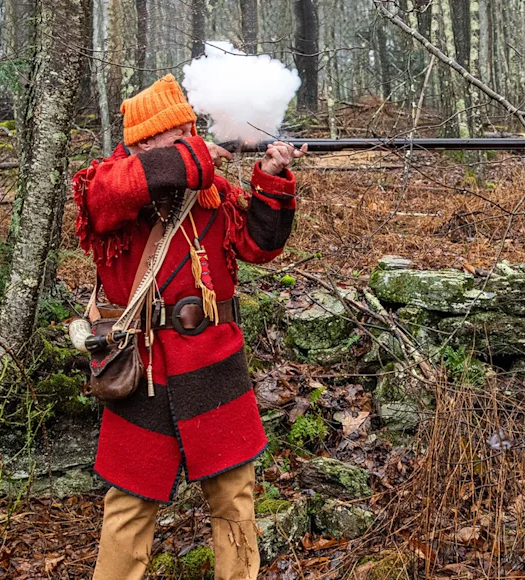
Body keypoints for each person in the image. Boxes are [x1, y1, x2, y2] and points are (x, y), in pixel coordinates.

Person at [72, 74, 306, 580]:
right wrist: (195, 156)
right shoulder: (110, 183)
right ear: (143, 142)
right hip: (144, 370)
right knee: (129, 509)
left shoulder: (210, 192)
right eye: (174, 132)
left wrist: (270, 175)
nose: (187, 137)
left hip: (215, 363)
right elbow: (118, 190)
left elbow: (259, 249)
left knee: (235, 498)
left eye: (189, 128)